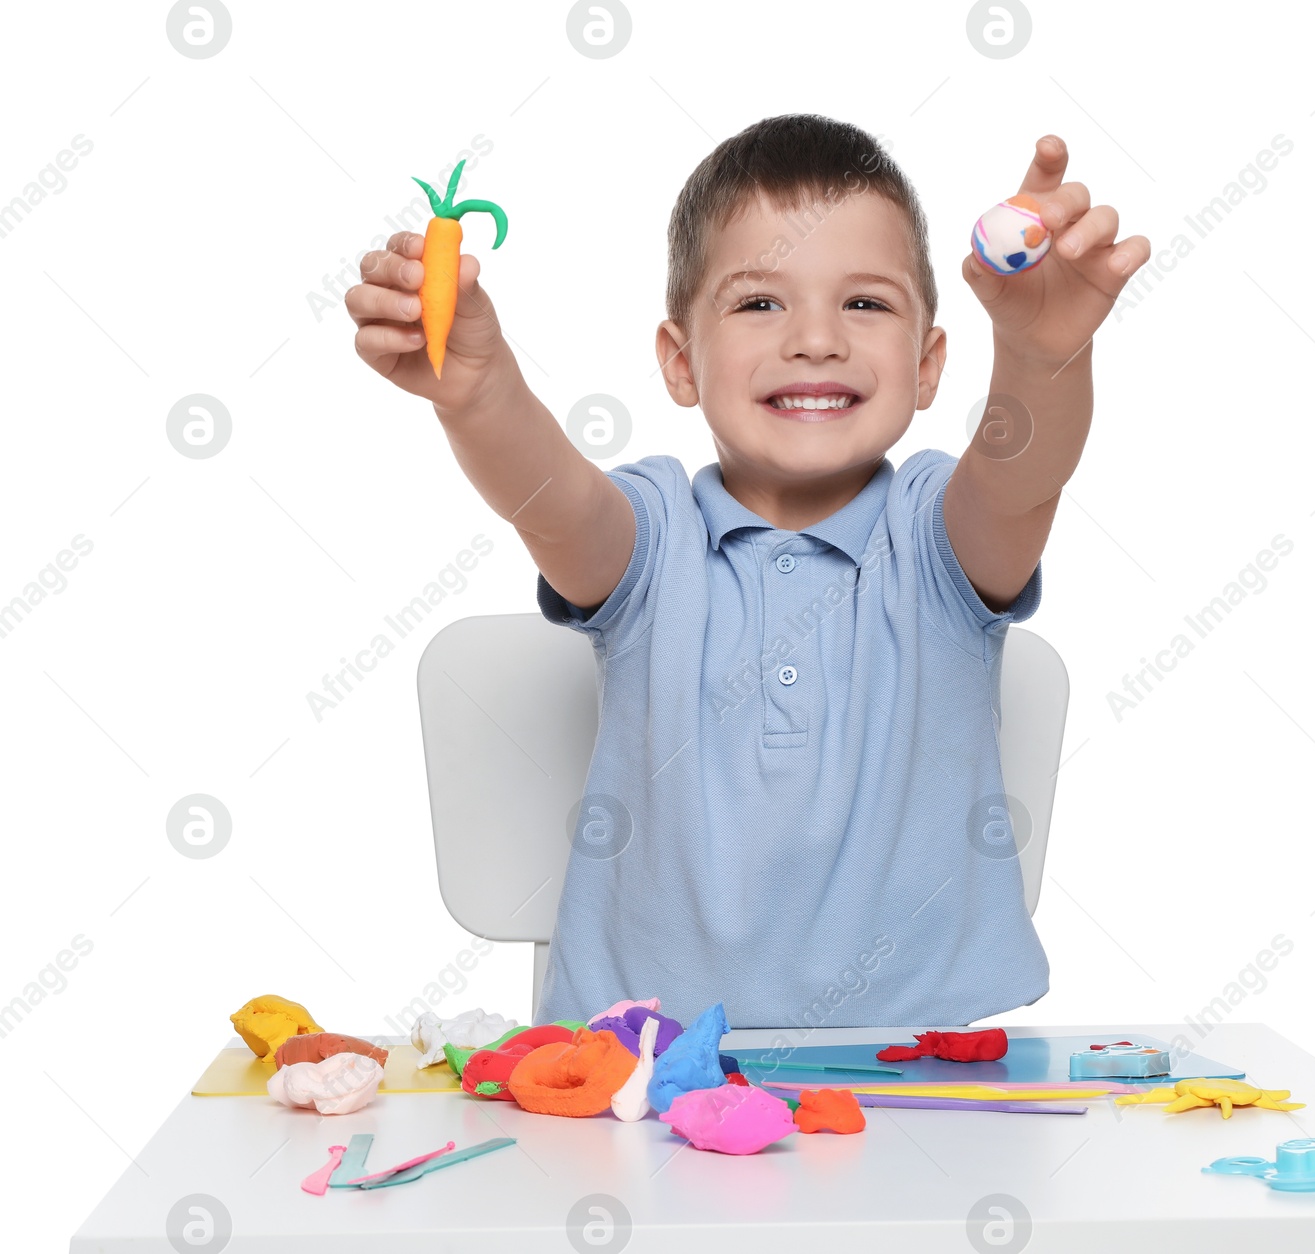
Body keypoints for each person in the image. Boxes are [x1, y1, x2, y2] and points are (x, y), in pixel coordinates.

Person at [345, 113, 1149, 1029]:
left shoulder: (939, 537)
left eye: (866, 304)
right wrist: (482, 396)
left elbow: (1022, 477)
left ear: (928, 366)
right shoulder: (650, 540)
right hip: (643, 1085)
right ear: (680, 363)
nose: (816, 339)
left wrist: (1045, 357)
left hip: (923, 1086)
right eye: (760, 303)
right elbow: (553, 498)